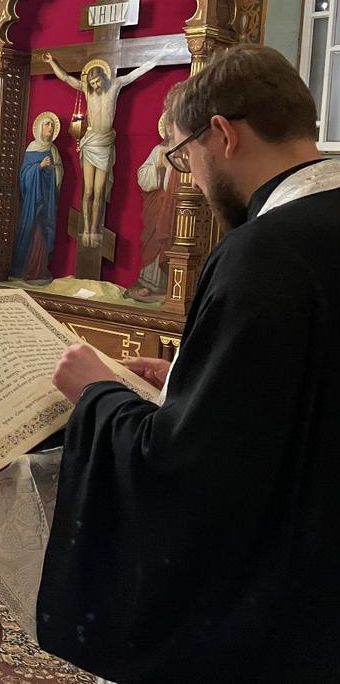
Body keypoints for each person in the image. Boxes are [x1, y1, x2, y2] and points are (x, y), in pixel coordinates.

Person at [40, 45, 340, 682]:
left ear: (223, 135)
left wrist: (98, 394)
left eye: (182, 156)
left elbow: (191, 471)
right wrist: (187, 379)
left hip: (282, 613)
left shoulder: (262, 253)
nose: (192, 181)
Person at [43, 44, 172, 247]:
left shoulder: (115, 85)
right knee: (87, 190)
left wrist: (162, 53)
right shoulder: (87, 90)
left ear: (104, 77)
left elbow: (140, 70)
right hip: (90, 142)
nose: (95, 86)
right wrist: (52, 63)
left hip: (104, 144)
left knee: (99, 190)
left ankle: (95, 230)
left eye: (97, 82)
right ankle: (86, 229)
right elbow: (66, 78)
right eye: (92, 83)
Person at [125, 114, 177, 302]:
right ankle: (148, 284)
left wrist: (169, 167)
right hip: (156, 207)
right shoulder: (158, 150)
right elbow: (142, 176)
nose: (171, 130)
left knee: (168, 242)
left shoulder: (184, 152)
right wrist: (157, 165)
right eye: (168, 126)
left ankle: (168, 286)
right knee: (153, 240)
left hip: (174, 208)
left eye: (174, 126)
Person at [10, 111, 63, 282]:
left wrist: (53, 169)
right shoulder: (32, 148)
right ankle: (25, 269)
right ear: (40, 127)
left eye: (52, 125)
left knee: (46, 233)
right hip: (33, 201)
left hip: (48, 200)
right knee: (32, 231)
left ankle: (40, 270)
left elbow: (59, 171)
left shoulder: (53, 150)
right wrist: (39, 167)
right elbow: (24, 175)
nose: (50, 128)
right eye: (47, 124)